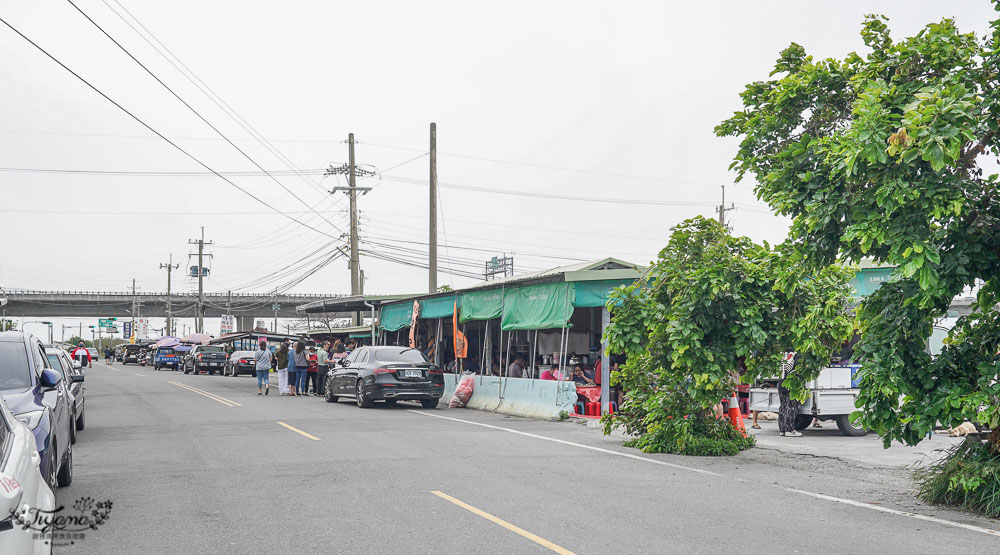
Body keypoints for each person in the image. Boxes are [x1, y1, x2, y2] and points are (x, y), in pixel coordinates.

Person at [778, 353, 802, 437]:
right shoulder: (798, 356)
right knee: (791, 407)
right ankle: (790, 429)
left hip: (781, 382)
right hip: (792, 383)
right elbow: (799, 370)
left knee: (783, 406)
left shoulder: (785, 355)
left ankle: (782, 429)